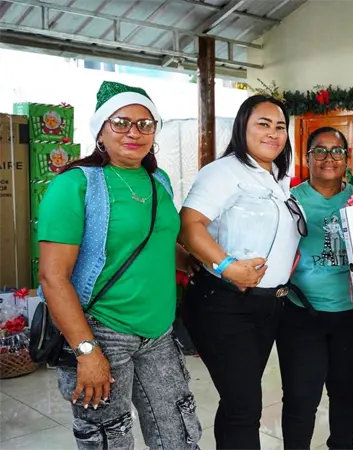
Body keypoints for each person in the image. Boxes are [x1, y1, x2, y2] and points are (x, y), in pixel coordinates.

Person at [37, 81, 201, 449]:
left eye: (145, 124)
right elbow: (52, 276)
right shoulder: (75, 185)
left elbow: (155, 237)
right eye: (121, 122)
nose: (134, 132)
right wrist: (86, 350)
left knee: (178, 432)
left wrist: (188, 260)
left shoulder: (158, 180)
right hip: (102, 330)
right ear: (100, 130)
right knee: (109, 440)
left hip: (158, 332)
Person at [179, 95, 305, 450]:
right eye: (262, 124)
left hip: (266, 306)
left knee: (239, 402)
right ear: (242, 128)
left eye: (280, 126)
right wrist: (226, 266)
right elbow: (190, 225)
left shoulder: (277, 177)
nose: (273, 133)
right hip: (225, 303)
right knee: (244, 404)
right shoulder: (223, 171)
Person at [277, 127, 353, 450]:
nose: (329, 158)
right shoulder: (289, 200)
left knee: (346, 393)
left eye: (337, 151)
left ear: (348, 158)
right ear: (307, 157)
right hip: (302, 314)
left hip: (351, 315)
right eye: (320, 151)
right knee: (301, 397)